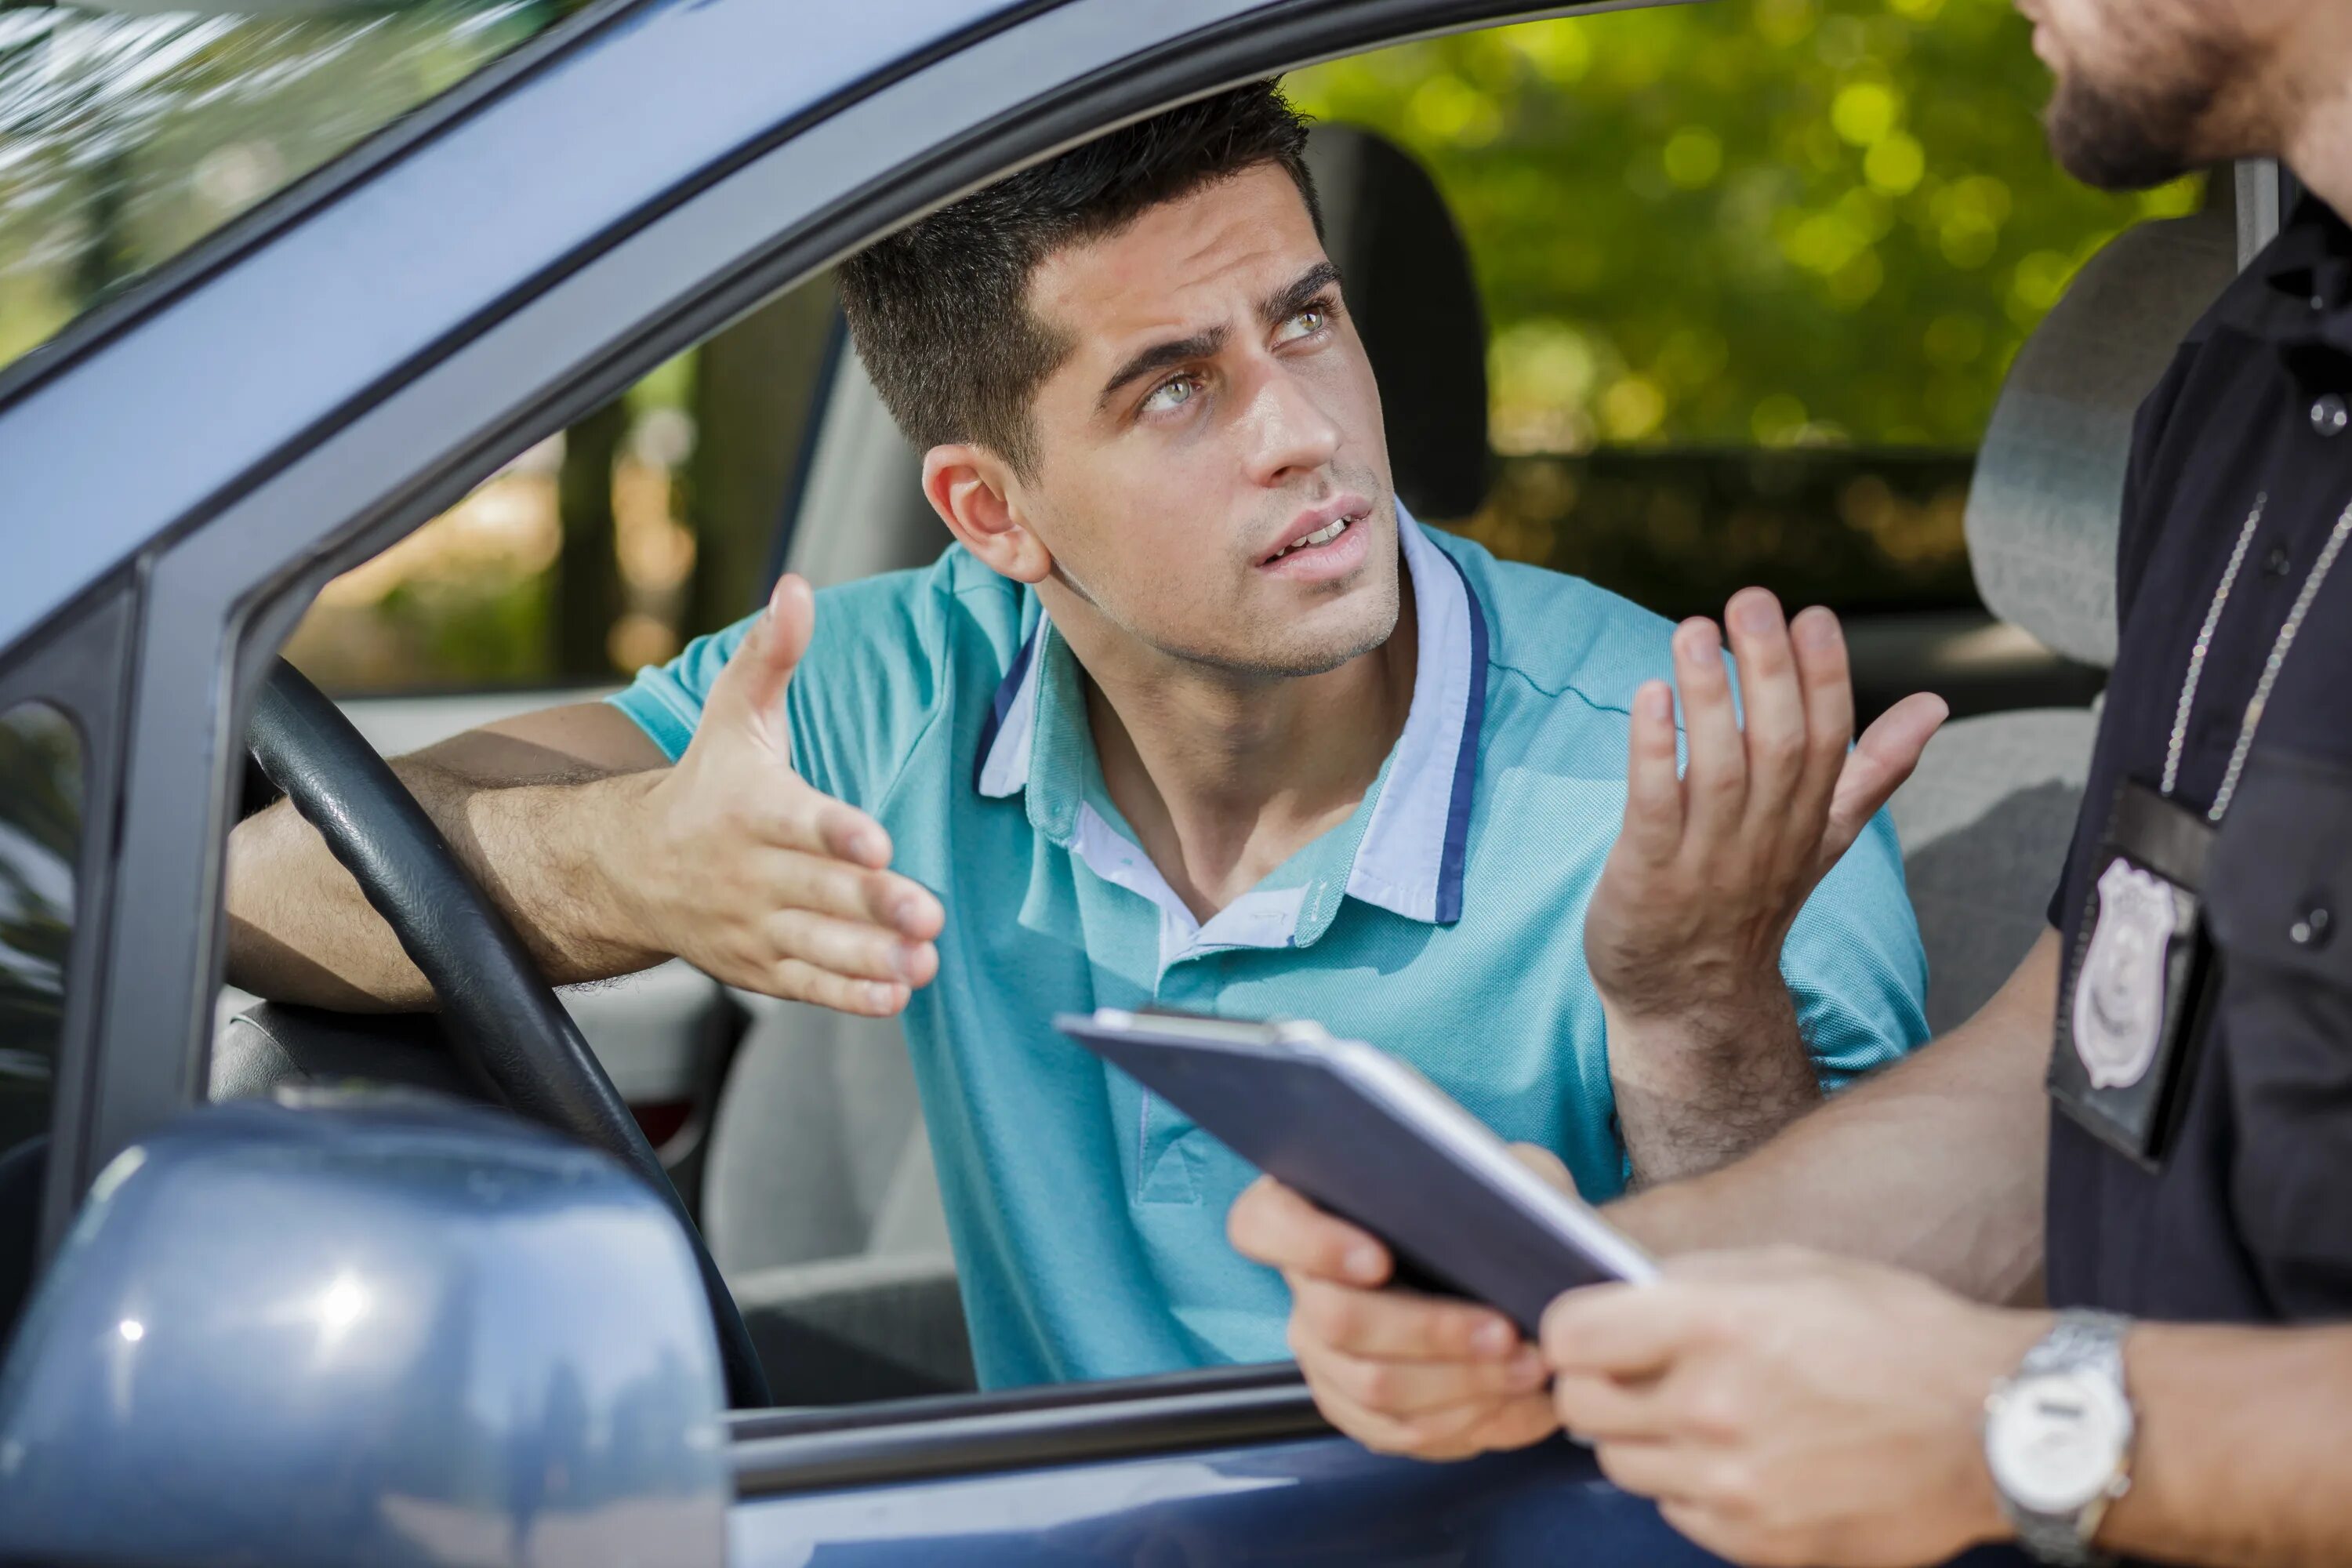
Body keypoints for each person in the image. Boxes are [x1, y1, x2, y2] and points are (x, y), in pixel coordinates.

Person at [227, 85, 1940, 1393]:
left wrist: (1697, 1007)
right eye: (1176, 387)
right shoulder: (894, 682)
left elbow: (1856, 1387)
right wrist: (636, 860)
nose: (1305, 433)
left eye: (1309, 320)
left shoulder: (1691, 778)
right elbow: (258, 889)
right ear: (994, 515)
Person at [1232, 2, 2352, 1563]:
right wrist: (1568, 1285)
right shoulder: (2250, 380)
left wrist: (2028, 1424)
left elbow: (2022, 1399)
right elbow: (2074, 1097)